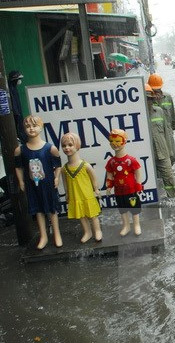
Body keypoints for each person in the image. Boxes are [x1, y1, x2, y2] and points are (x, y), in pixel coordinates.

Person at [14, 115, 63, 249]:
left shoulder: (50, 148)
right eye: (28, 126)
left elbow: (58, 165)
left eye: (34, 126)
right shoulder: (21, 150)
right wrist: (21, 181)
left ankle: (57, 234)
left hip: (48, 184)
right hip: (32, 186)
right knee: (38, 211)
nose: (31, 129)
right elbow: (18, 167)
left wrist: (57, 177)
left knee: (52, 210)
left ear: (41, 127)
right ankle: (43, 235)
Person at [60, 133, 102, 243]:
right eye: (64, 146)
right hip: (75, 196)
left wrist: (96, 189)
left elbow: (93, 177)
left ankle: (97, 231)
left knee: (92, 214)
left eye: (70, 145)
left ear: (77, 146)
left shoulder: (85, 165)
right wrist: (67, 193)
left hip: (87, 194)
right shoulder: (64, 169)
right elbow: (65, 182)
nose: (67, 148)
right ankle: (87, 232)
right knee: (81, 216)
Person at [105, 129, 143, 236]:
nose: (115, 144)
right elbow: (109, 175)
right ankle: (126, 226)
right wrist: (109, 186)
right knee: (122, 209)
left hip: (131, 190)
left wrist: (139, 186)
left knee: (134, 208)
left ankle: (136, 225)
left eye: (118, 141)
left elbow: (138, 173)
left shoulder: (131, 160)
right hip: (118, 191)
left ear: (124, 141)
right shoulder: (111, 162)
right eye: (112, 141)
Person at [145, 84, 175, 198]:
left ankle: (172, 199)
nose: (148, 101)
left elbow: (166, 133)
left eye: (149, 99)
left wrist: (170, 152)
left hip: (162, 153)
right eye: (146, 99)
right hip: (147, 156)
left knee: (169, 177)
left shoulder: (159, 111)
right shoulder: (138, 116)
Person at [148, 73, 175, 166]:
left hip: (168, 131)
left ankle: (167, 172)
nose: (156, 91)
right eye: (154, 90)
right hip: (157, 133)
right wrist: (154, 100)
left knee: (172, 156)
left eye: (158, 89)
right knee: (161, 158)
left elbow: (172, 114)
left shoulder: (167, 97)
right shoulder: (148, 100)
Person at [7, 70, 26, 143]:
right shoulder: (10, 88)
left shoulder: (13, 88)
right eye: (19, 79)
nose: (20, 81)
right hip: (16, 115)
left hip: (18, 113)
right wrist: (16, 113)